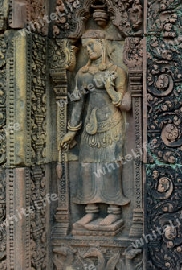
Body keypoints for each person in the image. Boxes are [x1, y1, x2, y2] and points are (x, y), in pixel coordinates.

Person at [60, 31, 130, 227]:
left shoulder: (117, 71)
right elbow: (78, 105)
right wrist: (72, 131)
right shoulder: (83, 74)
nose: (88, 50)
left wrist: (109, 89)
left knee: (110, 166)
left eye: (92, 45)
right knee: (87, 167)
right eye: (85, 47)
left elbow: (125, 104)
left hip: (111, 125)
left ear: (103, 44)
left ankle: (113, 210)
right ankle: (90, 209)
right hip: (90, 126)